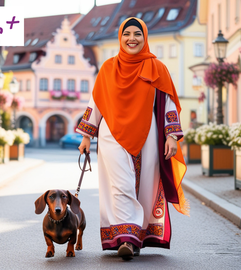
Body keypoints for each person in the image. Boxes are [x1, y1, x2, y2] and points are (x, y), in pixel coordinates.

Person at [76, 17, 189, 260]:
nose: (132, 38)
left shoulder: (157, 68)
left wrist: (171, 136)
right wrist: (86, 135)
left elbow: (168, 103)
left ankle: (134, 238)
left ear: (145, 37)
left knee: (146, 184)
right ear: (120, 37)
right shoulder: (107, 67)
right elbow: (96, 102)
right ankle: (126, 237)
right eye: (127, 34)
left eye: (137, 34)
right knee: (121, 184)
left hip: (147, 134)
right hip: (111, 134)